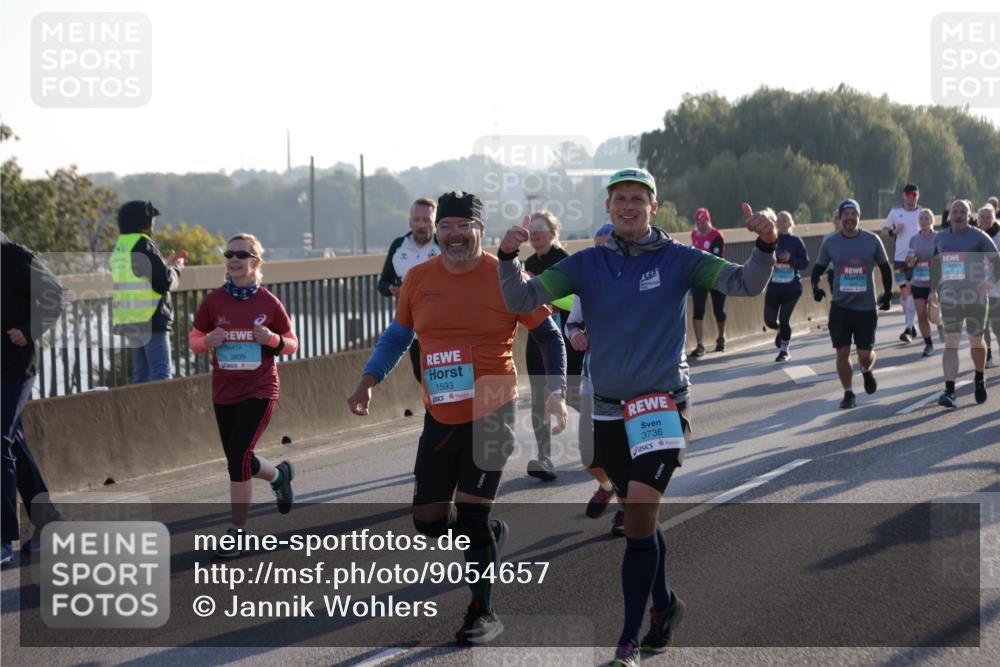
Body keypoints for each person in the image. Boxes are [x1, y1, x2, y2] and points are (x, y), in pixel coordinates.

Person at [496, 167, 777, 666]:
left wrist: (765, 247)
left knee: (641, 513)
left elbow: (745, 284)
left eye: (637, 199)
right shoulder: (586, 265)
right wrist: (506, 258)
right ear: (608, 208)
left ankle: (628, 641)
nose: (628, 206)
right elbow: (521, 298)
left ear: (653, 205)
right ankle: (666, 606)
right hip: (607, 411)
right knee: (643, 522)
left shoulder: (680, 260)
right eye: (619, 199)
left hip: (661, 405)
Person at [346, 191, 567, 645]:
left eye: (463, 227)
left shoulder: (505, 277)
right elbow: (397, 336)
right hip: (440, 414)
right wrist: (368, 380)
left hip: (493, 408)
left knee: (469, 512)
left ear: (479, 232)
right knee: (427, 520)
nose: (453, 235)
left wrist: (556, 392)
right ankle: (487, 536)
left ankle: (482, 611)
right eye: (445, 227)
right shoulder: (418, 279)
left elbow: (550, 337)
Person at [189, 234, 298, 558]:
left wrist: (272, 338)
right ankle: (279, 476)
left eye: (242, 254)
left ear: (256, 262)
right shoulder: (214, 301)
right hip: (224, 390)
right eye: (229, 254)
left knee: (238, 457)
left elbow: (292, 343)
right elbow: (194, 341)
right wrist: (208, 340)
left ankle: (236, 532)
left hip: (260, 387)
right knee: (239, 457)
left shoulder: (268, 302)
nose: (234, 259)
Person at [1, 233, 65, 565]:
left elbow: (55, 295)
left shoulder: (14, 255)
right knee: (12, 446)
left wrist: (28, 328)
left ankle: (3, 539)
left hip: (14, 369)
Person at [564, 223, 624, 535]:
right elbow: (572, 322)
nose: (602, 253)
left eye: (608, 246)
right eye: (597, 247)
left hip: (632, 380)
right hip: (593, 376)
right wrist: (574, 333)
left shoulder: (637, 281)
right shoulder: (586, 284)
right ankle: (607, 484)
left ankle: (627, 511)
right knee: (589, 454)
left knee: (624, 451)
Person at [810, 199, 893, 409]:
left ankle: (866, 370)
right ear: (840, 218)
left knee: (864, 355)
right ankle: (848, 392)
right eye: (845, 215)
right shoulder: (830, 242)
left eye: (853, 214)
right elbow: (817, 269)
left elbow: (884, 267)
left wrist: (887, 295)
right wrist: (816, 289)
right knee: (842, 352)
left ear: (858, 216)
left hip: (865, 307)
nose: (849, 218)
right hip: (840, 306)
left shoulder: (872, 240)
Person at [523, 210, 584, 481]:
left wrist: (550, 300)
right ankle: (544, 457)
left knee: (571, 394)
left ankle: (608, 433)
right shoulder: (526, 263)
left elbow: (578, 302)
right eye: (532, 230)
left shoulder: (566, 262)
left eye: (540, 229)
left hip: (566, 339)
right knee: (539, 396)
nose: (535, 233)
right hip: (537, 338)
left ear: (553, 233)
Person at [932, 200, 999, 408]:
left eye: (963, 212)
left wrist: (990, 282)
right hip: (951, 298)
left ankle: (979, 377)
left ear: (969, 216)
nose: (959, 215)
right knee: (951, 341)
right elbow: (936, 265)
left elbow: (997, 261)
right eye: (955, 211)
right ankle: (949, 390)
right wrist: (932, 292)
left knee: (976, 341)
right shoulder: (941, 237)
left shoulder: (979, 237)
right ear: (949, 214)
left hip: (975, 299)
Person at [110, 200, 185, 383]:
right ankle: (161, 413)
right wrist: (176, 268)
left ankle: (140, 412)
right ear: (144, 221)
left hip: (131, 318)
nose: (154, 224)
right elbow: (162, 282)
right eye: (152, 220)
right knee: (161, 375)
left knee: (141, 376)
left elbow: (141, 275)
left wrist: (164, 264)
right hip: (151, 318)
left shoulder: (122, 245)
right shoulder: (143, 244)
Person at [377, 198, 440, 382]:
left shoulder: (443, 246)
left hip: (441, 325)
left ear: (435, 223)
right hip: (411, 325)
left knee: (440, 376)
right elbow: (382, 283)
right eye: (417, 219)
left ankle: (438, 411)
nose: (421, 225)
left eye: (426, 220)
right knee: (421, 375)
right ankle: (435, 409)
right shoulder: (398, 246)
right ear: (410, 221)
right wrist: (391, 289)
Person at [764, 210, 810, 362]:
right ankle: (780, 330)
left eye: (785, 220)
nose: (782, 222)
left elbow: (805, 263)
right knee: (770, 321)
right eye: (780, 220)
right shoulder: (770, 240)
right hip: (774, 287)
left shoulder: (796, 241)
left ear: (790, 223)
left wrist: (791, 259)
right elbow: (761, 260)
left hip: (792, 287)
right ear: (776, 223)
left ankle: (784, 351)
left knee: (784, 319)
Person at [882, 184, 922, 342]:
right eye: (908, 194)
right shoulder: (895, 212)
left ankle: (908, 328)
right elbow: (884, 232)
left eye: (914, 194)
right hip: (899, 258)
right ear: (903, 196)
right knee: (904, 294)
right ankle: (910, 324)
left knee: (910, 291)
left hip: (914, 257)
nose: (911, 197)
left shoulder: (922, 213)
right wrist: (893, 231)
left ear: (918, 195)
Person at [688, 207, 727, 356]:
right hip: (699, 277)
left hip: (716, 275)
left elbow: (714, 256)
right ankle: (700, 344)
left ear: (708, 221)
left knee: (719, 310)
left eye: (703, 222)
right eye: (698, 222)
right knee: (698, 310)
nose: (700, 225)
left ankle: (721, 337)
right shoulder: (694, 235)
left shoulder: (717, 235)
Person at [905, 208, 939, 357]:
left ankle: (940, 322)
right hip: (919, 281)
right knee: (921, 315)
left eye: (926, 219)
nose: (924, 221)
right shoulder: (914, 239)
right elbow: (910, 261)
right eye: (921, 219)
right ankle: (928, 344)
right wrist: (908, 278)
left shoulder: (938, 237)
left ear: (932, 221)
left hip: (935, 282)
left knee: (933, 316)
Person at [978, 204, 999, 368]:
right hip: (979, 292)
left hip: (997, 291)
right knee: (982, 327)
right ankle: (988, 355)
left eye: (988, 217)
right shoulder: (974, 238)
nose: (985, 219)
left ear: (994, 219)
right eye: (982, 217)